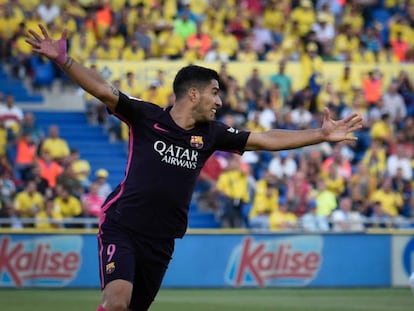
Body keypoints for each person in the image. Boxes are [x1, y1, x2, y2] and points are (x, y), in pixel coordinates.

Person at [26, 24, 363, 311]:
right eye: (214, 93)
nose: (219, 101)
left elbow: (266, 139)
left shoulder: (213, 134)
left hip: (162, 240)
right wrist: (64, 60)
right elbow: (102, 89)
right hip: (122, 226)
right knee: (117, 303)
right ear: (192, 94)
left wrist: (320, 134)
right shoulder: (147, 116)